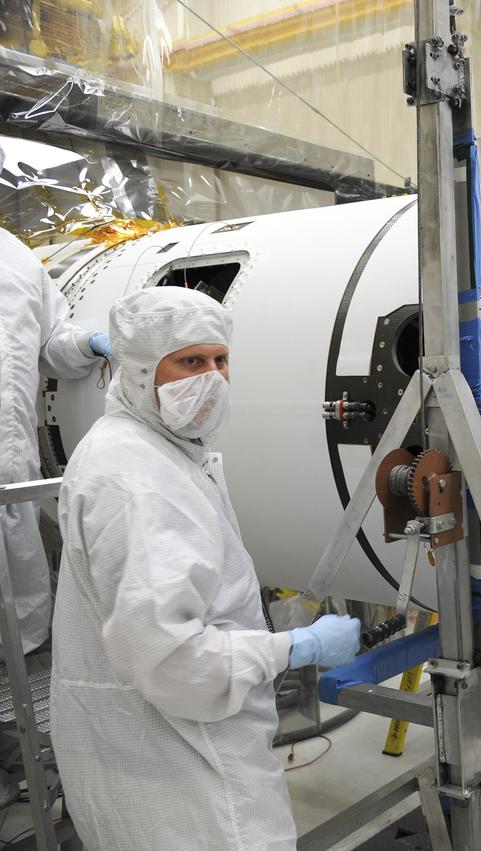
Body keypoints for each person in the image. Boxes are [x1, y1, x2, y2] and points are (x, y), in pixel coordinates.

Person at [50, 286, 361, 850]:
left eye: (221, 360)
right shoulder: (135, 481)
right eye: (191, 362)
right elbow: (173, 663)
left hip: (169, 760)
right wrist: (293, 648)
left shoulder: (157, 449)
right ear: (139, 372)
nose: (213, 378)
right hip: (186, 777)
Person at [0, 228, 109, 656]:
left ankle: (20, 654)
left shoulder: (15, 258)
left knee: (18, 559)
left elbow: (49, 344)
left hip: (12, 460)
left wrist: (87, 344)